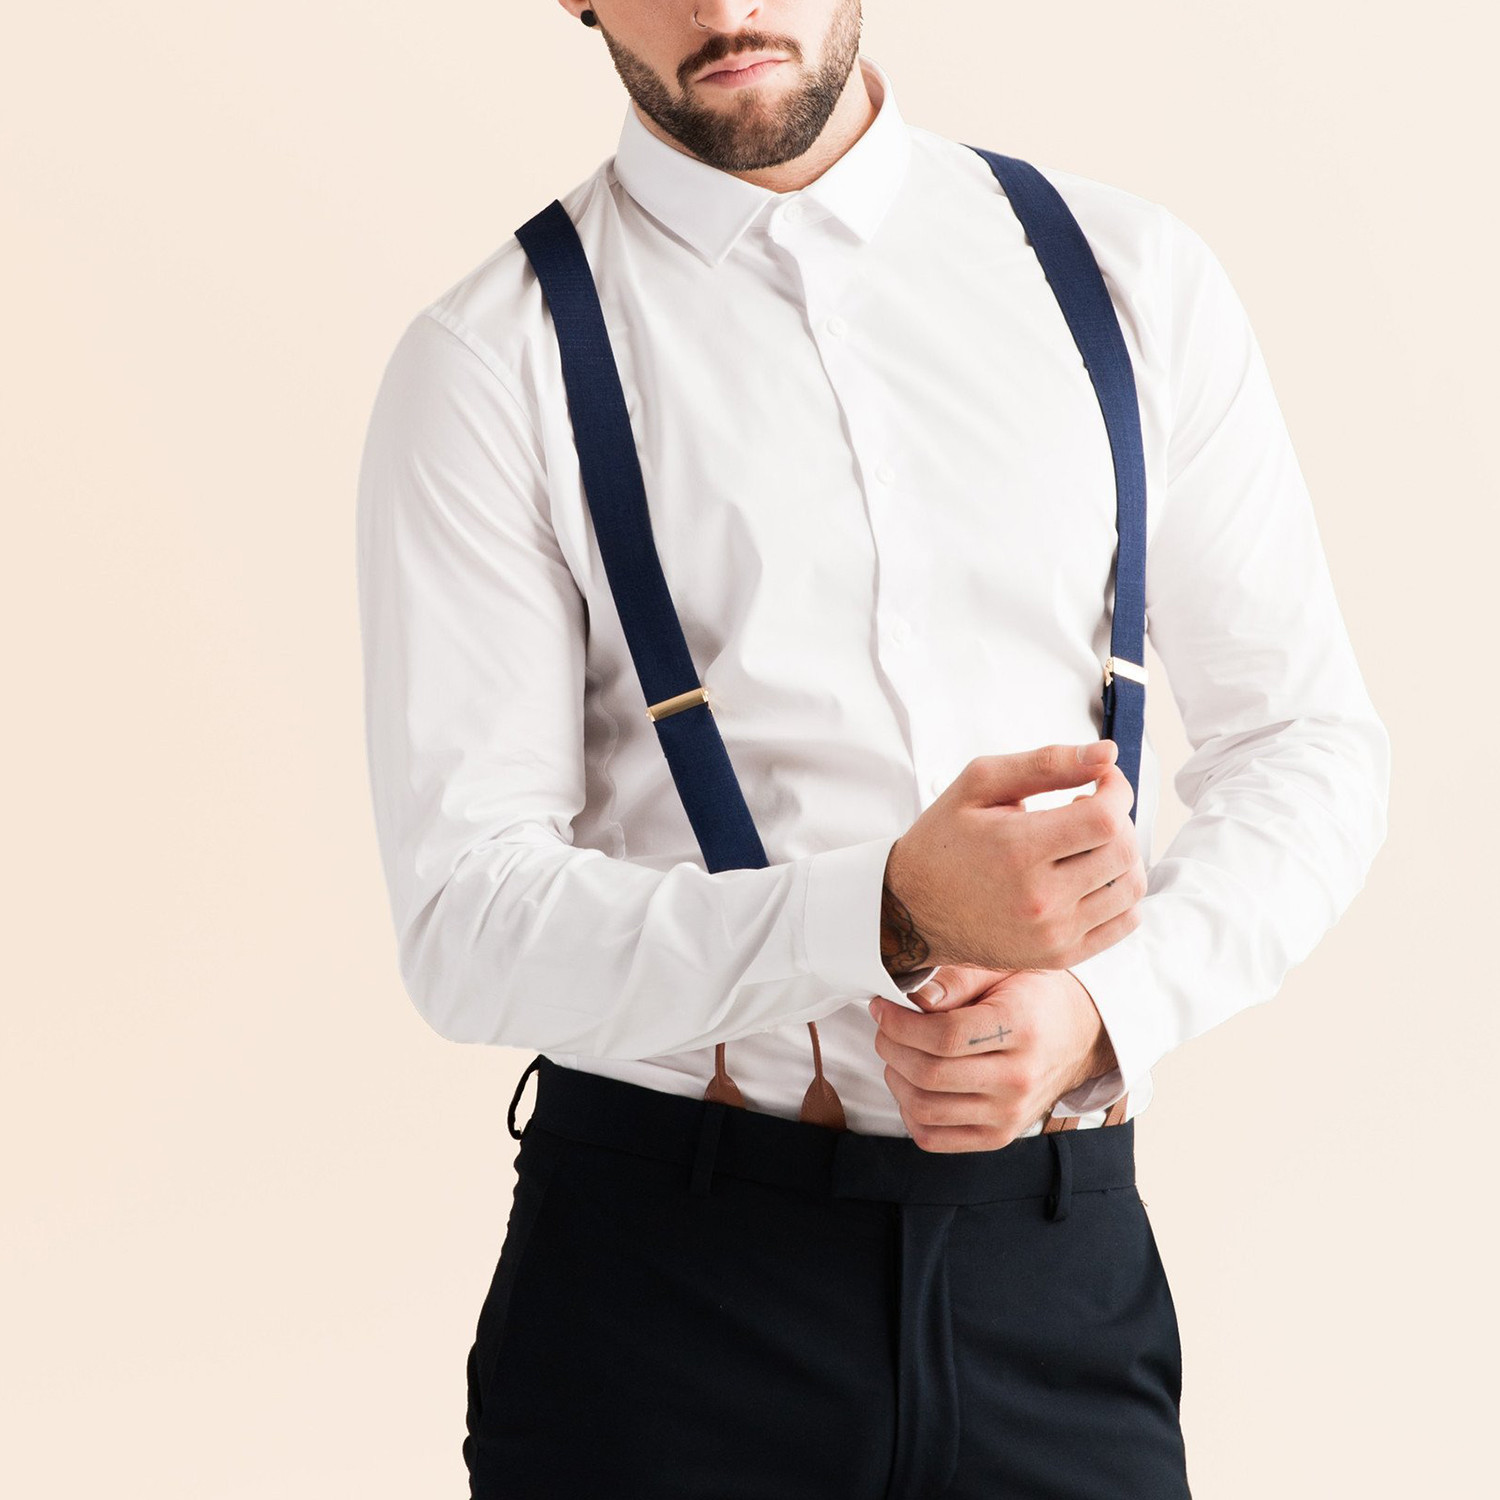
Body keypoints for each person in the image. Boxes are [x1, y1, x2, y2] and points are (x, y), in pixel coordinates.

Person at [354, 3, 1391, 1494]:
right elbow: (467, 923)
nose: (725, 7)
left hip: (1056, 1280)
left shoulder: (1126, 276)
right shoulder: (490, 358)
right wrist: (887, 913)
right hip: (667, 1299)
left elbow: (1305, 742)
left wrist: (1106, 1009)